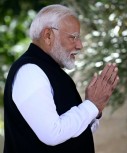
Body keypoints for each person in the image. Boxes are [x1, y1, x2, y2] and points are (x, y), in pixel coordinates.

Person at [3, 4, 119, 153]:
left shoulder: (50, 69)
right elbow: (53, 133)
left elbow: (72, 133)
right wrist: (91, 105)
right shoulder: (30, 71)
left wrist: (95, 109)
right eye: (73, 37)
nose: (80, 45)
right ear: (48, 35)